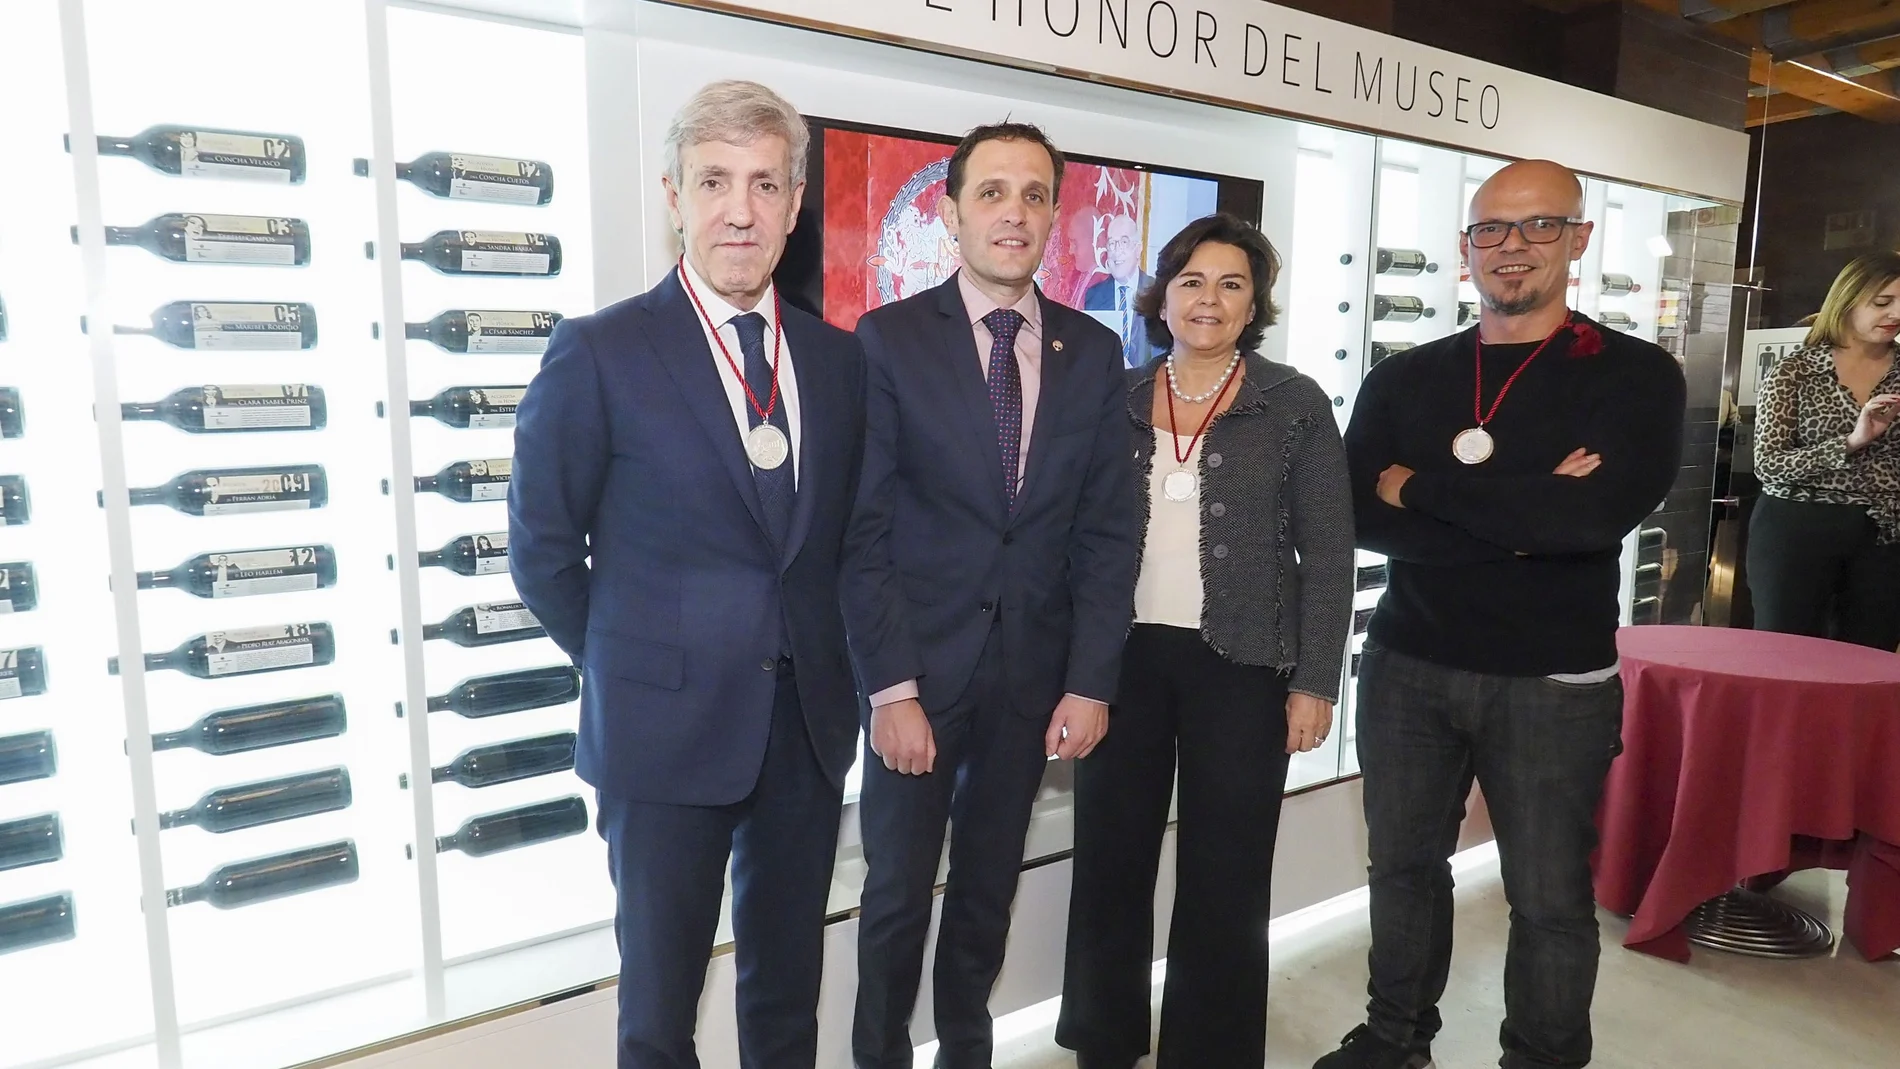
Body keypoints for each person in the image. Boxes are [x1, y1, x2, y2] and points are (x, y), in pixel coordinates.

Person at [508, 80, 865, 1069]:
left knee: (787, 995)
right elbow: (540, 548)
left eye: (763, 183)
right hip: (660, 740)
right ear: (674, 193)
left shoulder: (841, 365)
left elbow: (845, 543)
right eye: (714, 181)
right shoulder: (599, 352)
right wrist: (631, 658)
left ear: (797, 205)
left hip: (804, 730)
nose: (738, 209)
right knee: (659, 1015)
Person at [1318, 159, 1685, 1069]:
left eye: (1538, 226)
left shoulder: (1636, 376)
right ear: (1465, 248)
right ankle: (1396, 1040)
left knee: (1550, 898)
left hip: (1553, 679)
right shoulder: (1407, 377)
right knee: (1402, 872)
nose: (1511, 247)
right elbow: (1360, 513)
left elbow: (1591, 519)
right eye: (1492, 229)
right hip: (1408, 663)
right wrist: (1520, 515)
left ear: (1580, 239)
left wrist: (1424, 488)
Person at [844, 121, 1139, 1069]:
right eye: (992, 192)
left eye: (1034, 195)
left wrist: (1091, 681)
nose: (1014, 213)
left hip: (1032, 679)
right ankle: (880, 1053)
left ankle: (965, 1047)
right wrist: (890, 689)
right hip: (917, 677)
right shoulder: (887, 341)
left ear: (1055, 213)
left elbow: (1106, 532)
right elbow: (865, 532)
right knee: (895, 891)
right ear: (951, 208)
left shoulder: (1094, 352)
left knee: (985, 886)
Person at [1056, 212, 1355, 1069]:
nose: (1209, 299)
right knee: (1110, 863)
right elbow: (1072, 535)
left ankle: (1210, 1051)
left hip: (1246, 664)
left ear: (1254, 300)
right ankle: (1103, 1044)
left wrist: (1317, 681)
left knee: (1227, 876)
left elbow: (1330, 553)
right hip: (1119, 662)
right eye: (1192, 281)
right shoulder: (1112, 397)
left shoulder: (1292, 403)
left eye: (1231, 283)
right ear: (1163, 295)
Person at [1747, 251, 1900, 651]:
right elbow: (1768, 465)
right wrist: (1852, 441)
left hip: (1884, 532)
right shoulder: (1794, 371)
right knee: (1787, 656)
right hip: (1797, 525)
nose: (1895, 314)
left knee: (1869, 659)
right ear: (1847, 300)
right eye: (1882, 303)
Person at [1085, 214, 1158, 368]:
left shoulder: (1157, 291)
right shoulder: (1094, 296)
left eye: (1124, 242)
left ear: (1138, 249)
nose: (1117, 251)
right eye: (1112, 243)